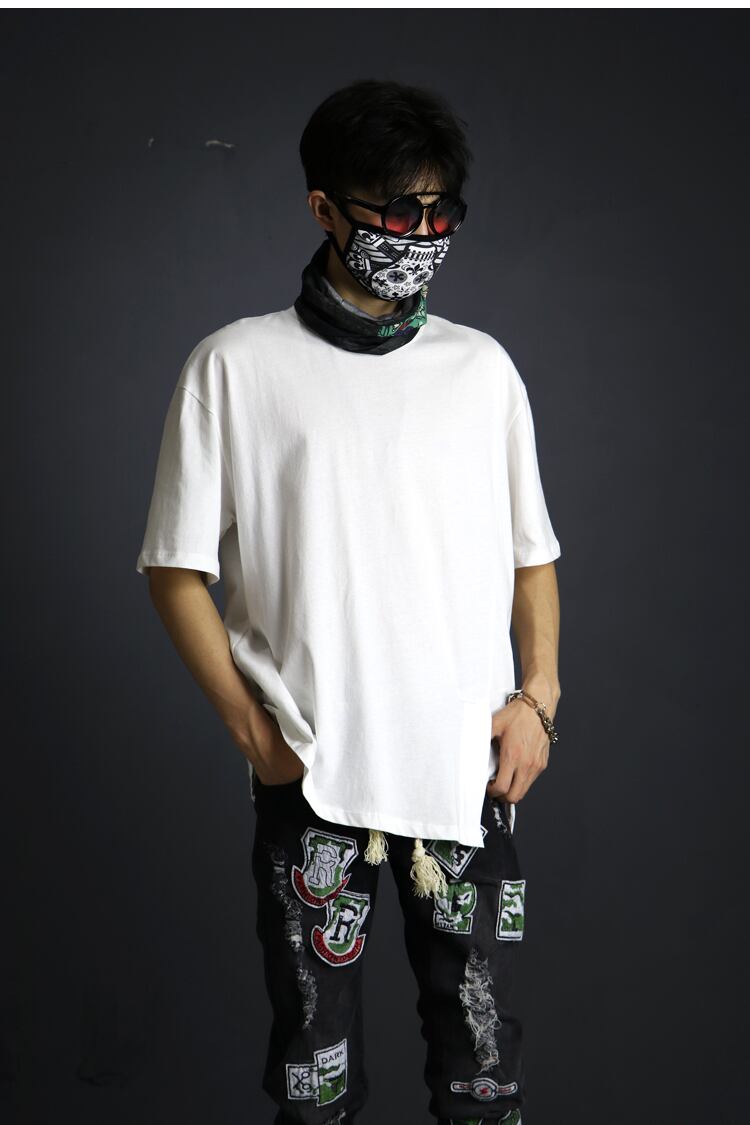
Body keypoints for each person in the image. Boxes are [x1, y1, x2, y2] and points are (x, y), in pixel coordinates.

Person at [136, 78, 562, 1125]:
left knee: (484, 1075)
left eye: (440, 212)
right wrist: (254, 734)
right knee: (315, 1081)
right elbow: (175, 568)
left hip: (465, 775)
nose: (420, 235)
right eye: (395, 210)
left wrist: (539, 697)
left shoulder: (482, 370)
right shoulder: (235, 367)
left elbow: (532, 556)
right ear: (324, 208)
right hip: (313, 775)